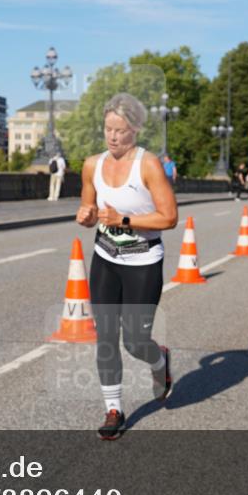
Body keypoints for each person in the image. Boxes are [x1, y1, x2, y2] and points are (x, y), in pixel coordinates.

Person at [77, 93, 178, 440]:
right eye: (108, 129)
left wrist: (123, 219)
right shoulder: (92, 165)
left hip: (143, 260)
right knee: (106, 338)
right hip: (106, 257)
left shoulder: (148, 165)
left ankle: (159, 362)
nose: (113, 136)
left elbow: (169, 217)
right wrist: (87, 216)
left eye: (120, 130)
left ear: (134, 130)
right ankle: (113, 409)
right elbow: (90, 210)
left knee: (135, 341)